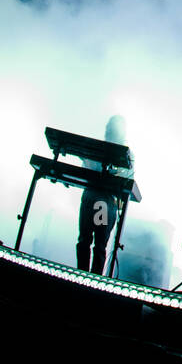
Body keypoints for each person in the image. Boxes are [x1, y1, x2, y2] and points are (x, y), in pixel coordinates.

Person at [76, 115, 132, 274]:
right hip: (93, 197)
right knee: (86, 241)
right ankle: (83, 277)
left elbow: (126, 177)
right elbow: (86, 169)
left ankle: (91, 279)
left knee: (95, 244)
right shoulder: (98, 148)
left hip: (103, 201)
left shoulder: (125, 154)